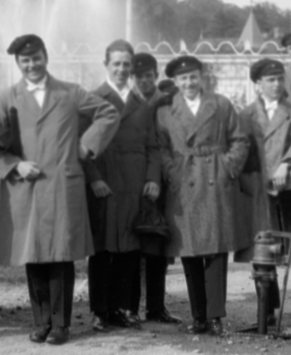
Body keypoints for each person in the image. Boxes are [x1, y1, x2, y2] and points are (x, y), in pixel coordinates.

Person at [0, 34, 118, 346]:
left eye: (36, 58)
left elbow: (108, 113)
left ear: (46, 57)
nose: (32, 65)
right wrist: (15, 165)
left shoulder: (69, 92)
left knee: (60, 254)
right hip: (25, 186)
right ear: (18, 64)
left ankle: (61, 324)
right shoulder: (5, 98)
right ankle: (40, 322)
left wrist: (86, 146)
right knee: (33, 254)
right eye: (25, 61)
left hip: (62, 185)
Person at [155, 55, 251, 336]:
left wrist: (227, 169)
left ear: (202, 77)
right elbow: (160, 147)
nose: (189, 82)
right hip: (184, 185)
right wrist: (172, 172)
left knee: (215, 252)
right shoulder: (166, 111)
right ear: (176, 81)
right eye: (183, 78)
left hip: (214, 183)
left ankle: (216, 316)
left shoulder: (220, 104)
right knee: (190, 251)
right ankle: (198, 316)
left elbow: (239, 140)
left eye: (193, 76)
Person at [84, 40, 161, 331]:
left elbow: (153, 146)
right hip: (105, 184)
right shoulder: (93, 99)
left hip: (134, 185)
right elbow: (82, 146)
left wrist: (152, 178)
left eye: (126, 64)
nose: (121, 69)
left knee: (130, 249)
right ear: (106, 65)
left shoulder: (142, 105)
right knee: (103, 249)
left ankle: (127, 308)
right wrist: (94, 179)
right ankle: (100, 311)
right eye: (116, 63)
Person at [240, 57, 291, 325]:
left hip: (281, 192)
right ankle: (267, 310)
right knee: (259, 251)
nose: (276, 84)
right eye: (270, 80)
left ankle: (270, 310)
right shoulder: (246, 115)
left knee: (273, 249)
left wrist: (286, 163)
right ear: (258, 84)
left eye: (279, 79)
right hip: (253, 190)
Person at [128, 53, 181, 324]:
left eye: (149, 75)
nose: (145, 80)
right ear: (133, 78)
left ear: (156, 75)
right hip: (133, 181)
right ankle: (130, 307)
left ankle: (156, 307)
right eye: (140, 76)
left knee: (158, 246)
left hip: (161, 183)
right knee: (134, 249)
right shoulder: (127, 101)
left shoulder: (165, 101)